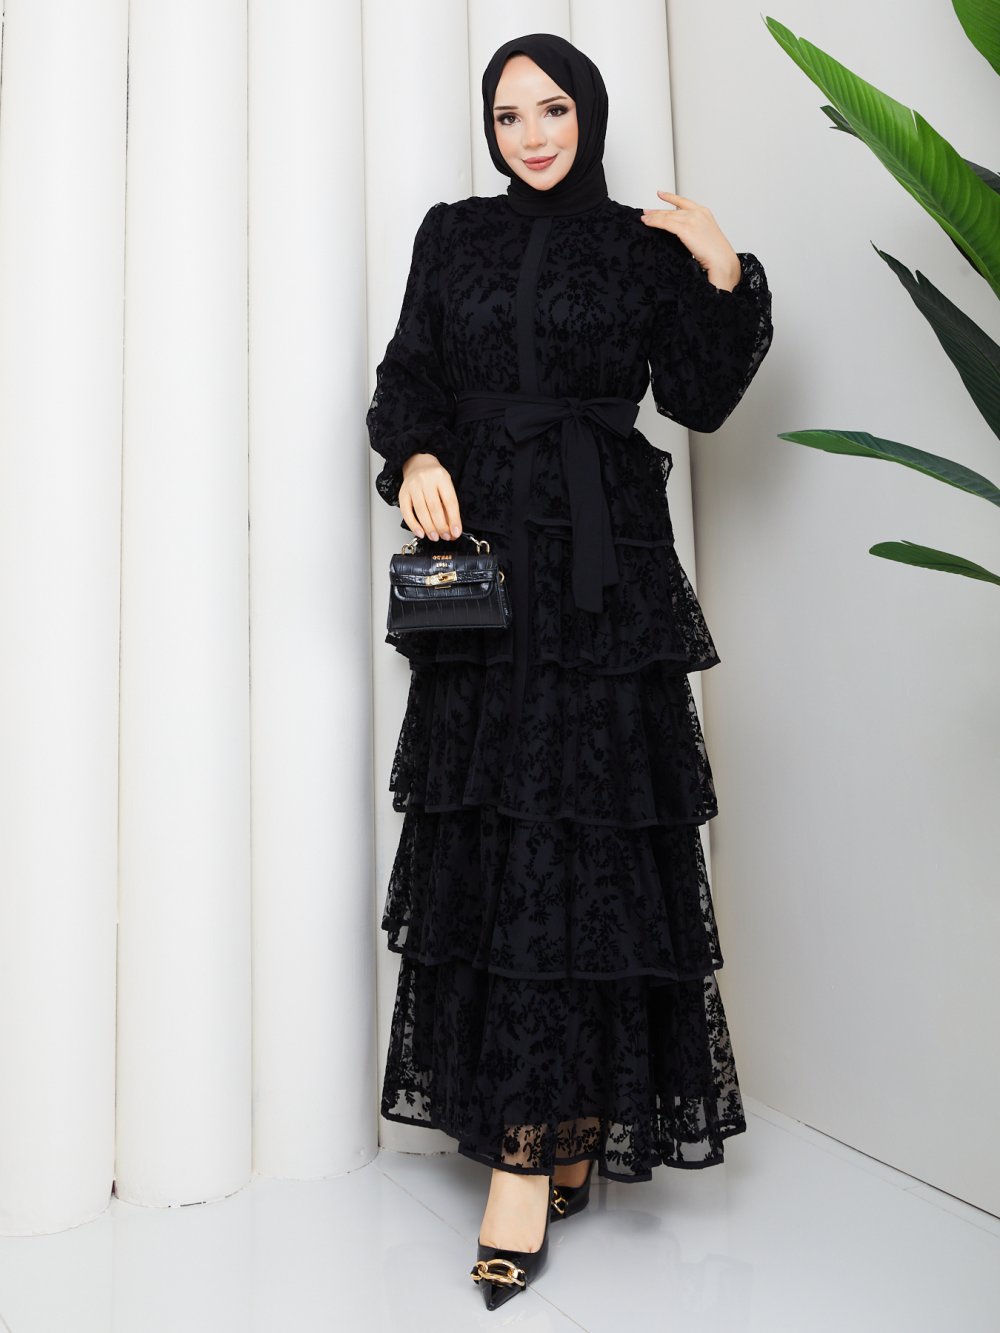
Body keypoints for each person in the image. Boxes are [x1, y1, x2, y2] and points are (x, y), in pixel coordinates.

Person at [367, 31, 773, 1311]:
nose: (533, 134)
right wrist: (417, 458)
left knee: (588, 845)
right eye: (509, 115)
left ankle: (537, 1154)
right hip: (490, 573)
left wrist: (723, 272)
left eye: (552, 109)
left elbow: (698, 399)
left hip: (606, 582)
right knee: (504, 841)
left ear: (587, 114)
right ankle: (542, 1131)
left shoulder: (641, 247)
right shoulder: (452, 236)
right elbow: (407, 379)